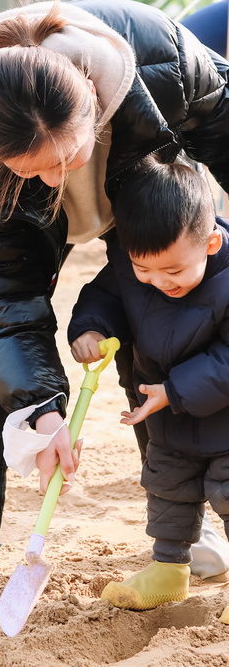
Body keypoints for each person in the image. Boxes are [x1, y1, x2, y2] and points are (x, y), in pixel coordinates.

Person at [0, 0, 229, 635]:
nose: (57, 178)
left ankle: (181, 523)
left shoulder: (160, 59)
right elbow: (1, 297)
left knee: (159, 324)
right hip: (21, 228)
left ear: (93, 104)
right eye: (35, 170)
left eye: (67, 158)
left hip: (144, 189)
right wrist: (39, 408)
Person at [68, 158, 229, 624]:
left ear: (211, 243)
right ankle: (168, 571)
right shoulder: (134, 266)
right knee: (167, 487)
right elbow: (107, 295)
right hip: (169, 415)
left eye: (174, 272)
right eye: (145, 270)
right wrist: (91, 328)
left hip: (217, 413)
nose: (160, 283)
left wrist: (175, 390)